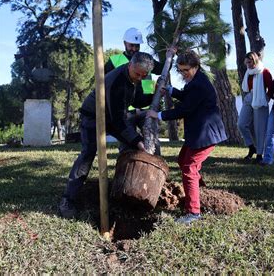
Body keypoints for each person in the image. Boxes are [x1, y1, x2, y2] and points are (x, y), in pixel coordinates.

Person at [58, 52, 155, 218]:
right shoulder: (116, 82)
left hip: (112, 116)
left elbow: (136, 100)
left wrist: (155, 94)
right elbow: (119, 122)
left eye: (143, 75)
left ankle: (126, 189)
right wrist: (138, 141)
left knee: (132, 145)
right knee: (87, 155)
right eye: (137, 73)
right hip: (94, 117)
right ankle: (68, 200)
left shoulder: (134, 78)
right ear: (130, 64)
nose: (139, 78)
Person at [147, 50, 227, 224]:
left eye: (186, 70)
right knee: (183, 160)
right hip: (199, 133)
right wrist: (170, 90)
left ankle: (193, 212)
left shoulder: (198, 84)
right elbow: (188, 96)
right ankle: (199, 192)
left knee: (189, 168)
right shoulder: (196, 81)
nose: (183, 74)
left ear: (196, 66)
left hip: (206, 134)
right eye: (180, 70)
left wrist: (158, 115)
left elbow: (185, 109)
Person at [104, 27, 163, 133]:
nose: (134, 49)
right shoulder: (114, 61)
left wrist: (170, 56)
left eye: (137, 46)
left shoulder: (146, 60)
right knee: (128, 144)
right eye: (131, 45)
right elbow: (105, 85)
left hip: (147, 110)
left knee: (152, 142)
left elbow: (162, 69)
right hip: (125, 112)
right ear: (124, 43)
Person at [237, 51, 273, 164]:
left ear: (255, 60)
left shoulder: (264, 71)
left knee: (259, 127)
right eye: (246, 62)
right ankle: (251, 146)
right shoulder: (249, 72)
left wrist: (266, 98)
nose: (247, 65)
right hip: (250, 97)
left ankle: (259, 154)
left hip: (261, 99)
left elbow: (271, 88)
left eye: (249, 62)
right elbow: (246, 87)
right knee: (241, 124)